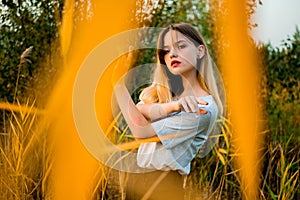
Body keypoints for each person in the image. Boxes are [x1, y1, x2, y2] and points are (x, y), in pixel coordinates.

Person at [113, 23, 225, 199]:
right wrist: (171, 107)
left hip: (164, 187)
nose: (172, 53)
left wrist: (118, 84)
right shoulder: (163, 95)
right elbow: (139, 109)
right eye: (165, 50)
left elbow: (141, 133)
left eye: (180, 46)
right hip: (136, 181)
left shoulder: (204, 108)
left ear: (200, 51)